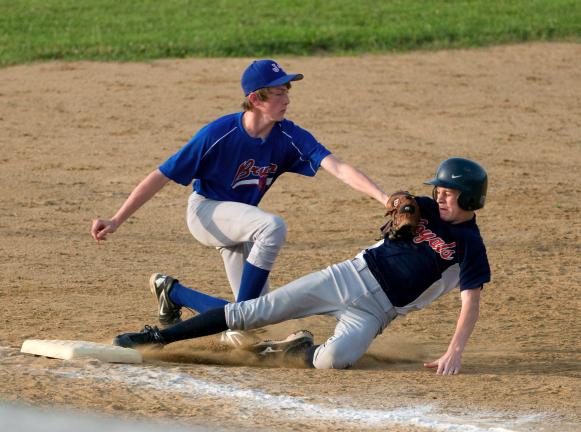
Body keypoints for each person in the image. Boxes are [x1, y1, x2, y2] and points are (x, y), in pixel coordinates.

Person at [91, 59, 389, 347]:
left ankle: (173, 292)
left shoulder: (288, 135)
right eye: (278, 93)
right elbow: (161, 175)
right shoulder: (219, 134)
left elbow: (336, 166)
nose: (286, 99)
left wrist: (384, 197)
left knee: (256, 315)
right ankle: (235, 319)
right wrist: (117, 219)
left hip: (242, 224)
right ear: (256, 99)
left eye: (287, 91)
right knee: (272, 227)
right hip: (206, 212)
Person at [113, 158, 491, 375]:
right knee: (252, 312)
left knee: (331, 361)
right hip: (347, 276)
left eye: (448, 193)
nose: (438, 197)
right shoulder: (423, 206)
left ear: (469, 198)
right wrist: (398, 201)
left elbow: (469, 303)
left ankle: (290, 349)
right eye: (437, 190)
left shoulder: (471, 246)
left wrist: (454, 351)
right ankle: (157, 337)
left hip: (377, 312)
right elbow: (397, 202)